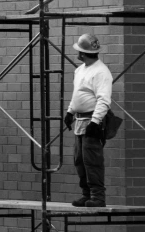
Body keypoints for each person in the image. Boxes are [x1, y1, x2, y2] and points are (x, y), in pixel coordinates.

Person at [63, 33, 113, 208]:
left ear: (83, 53)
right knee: (79, 160)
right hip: (80, 120)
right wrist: (70, 111)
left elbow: (104, 100)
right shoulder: (80, 70)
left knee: (92, 160)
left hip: (92, 121)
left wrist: (95, 122)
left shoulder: (101, 72)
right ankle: (87, 194)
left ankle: (98, 196)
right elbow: (78, 93)